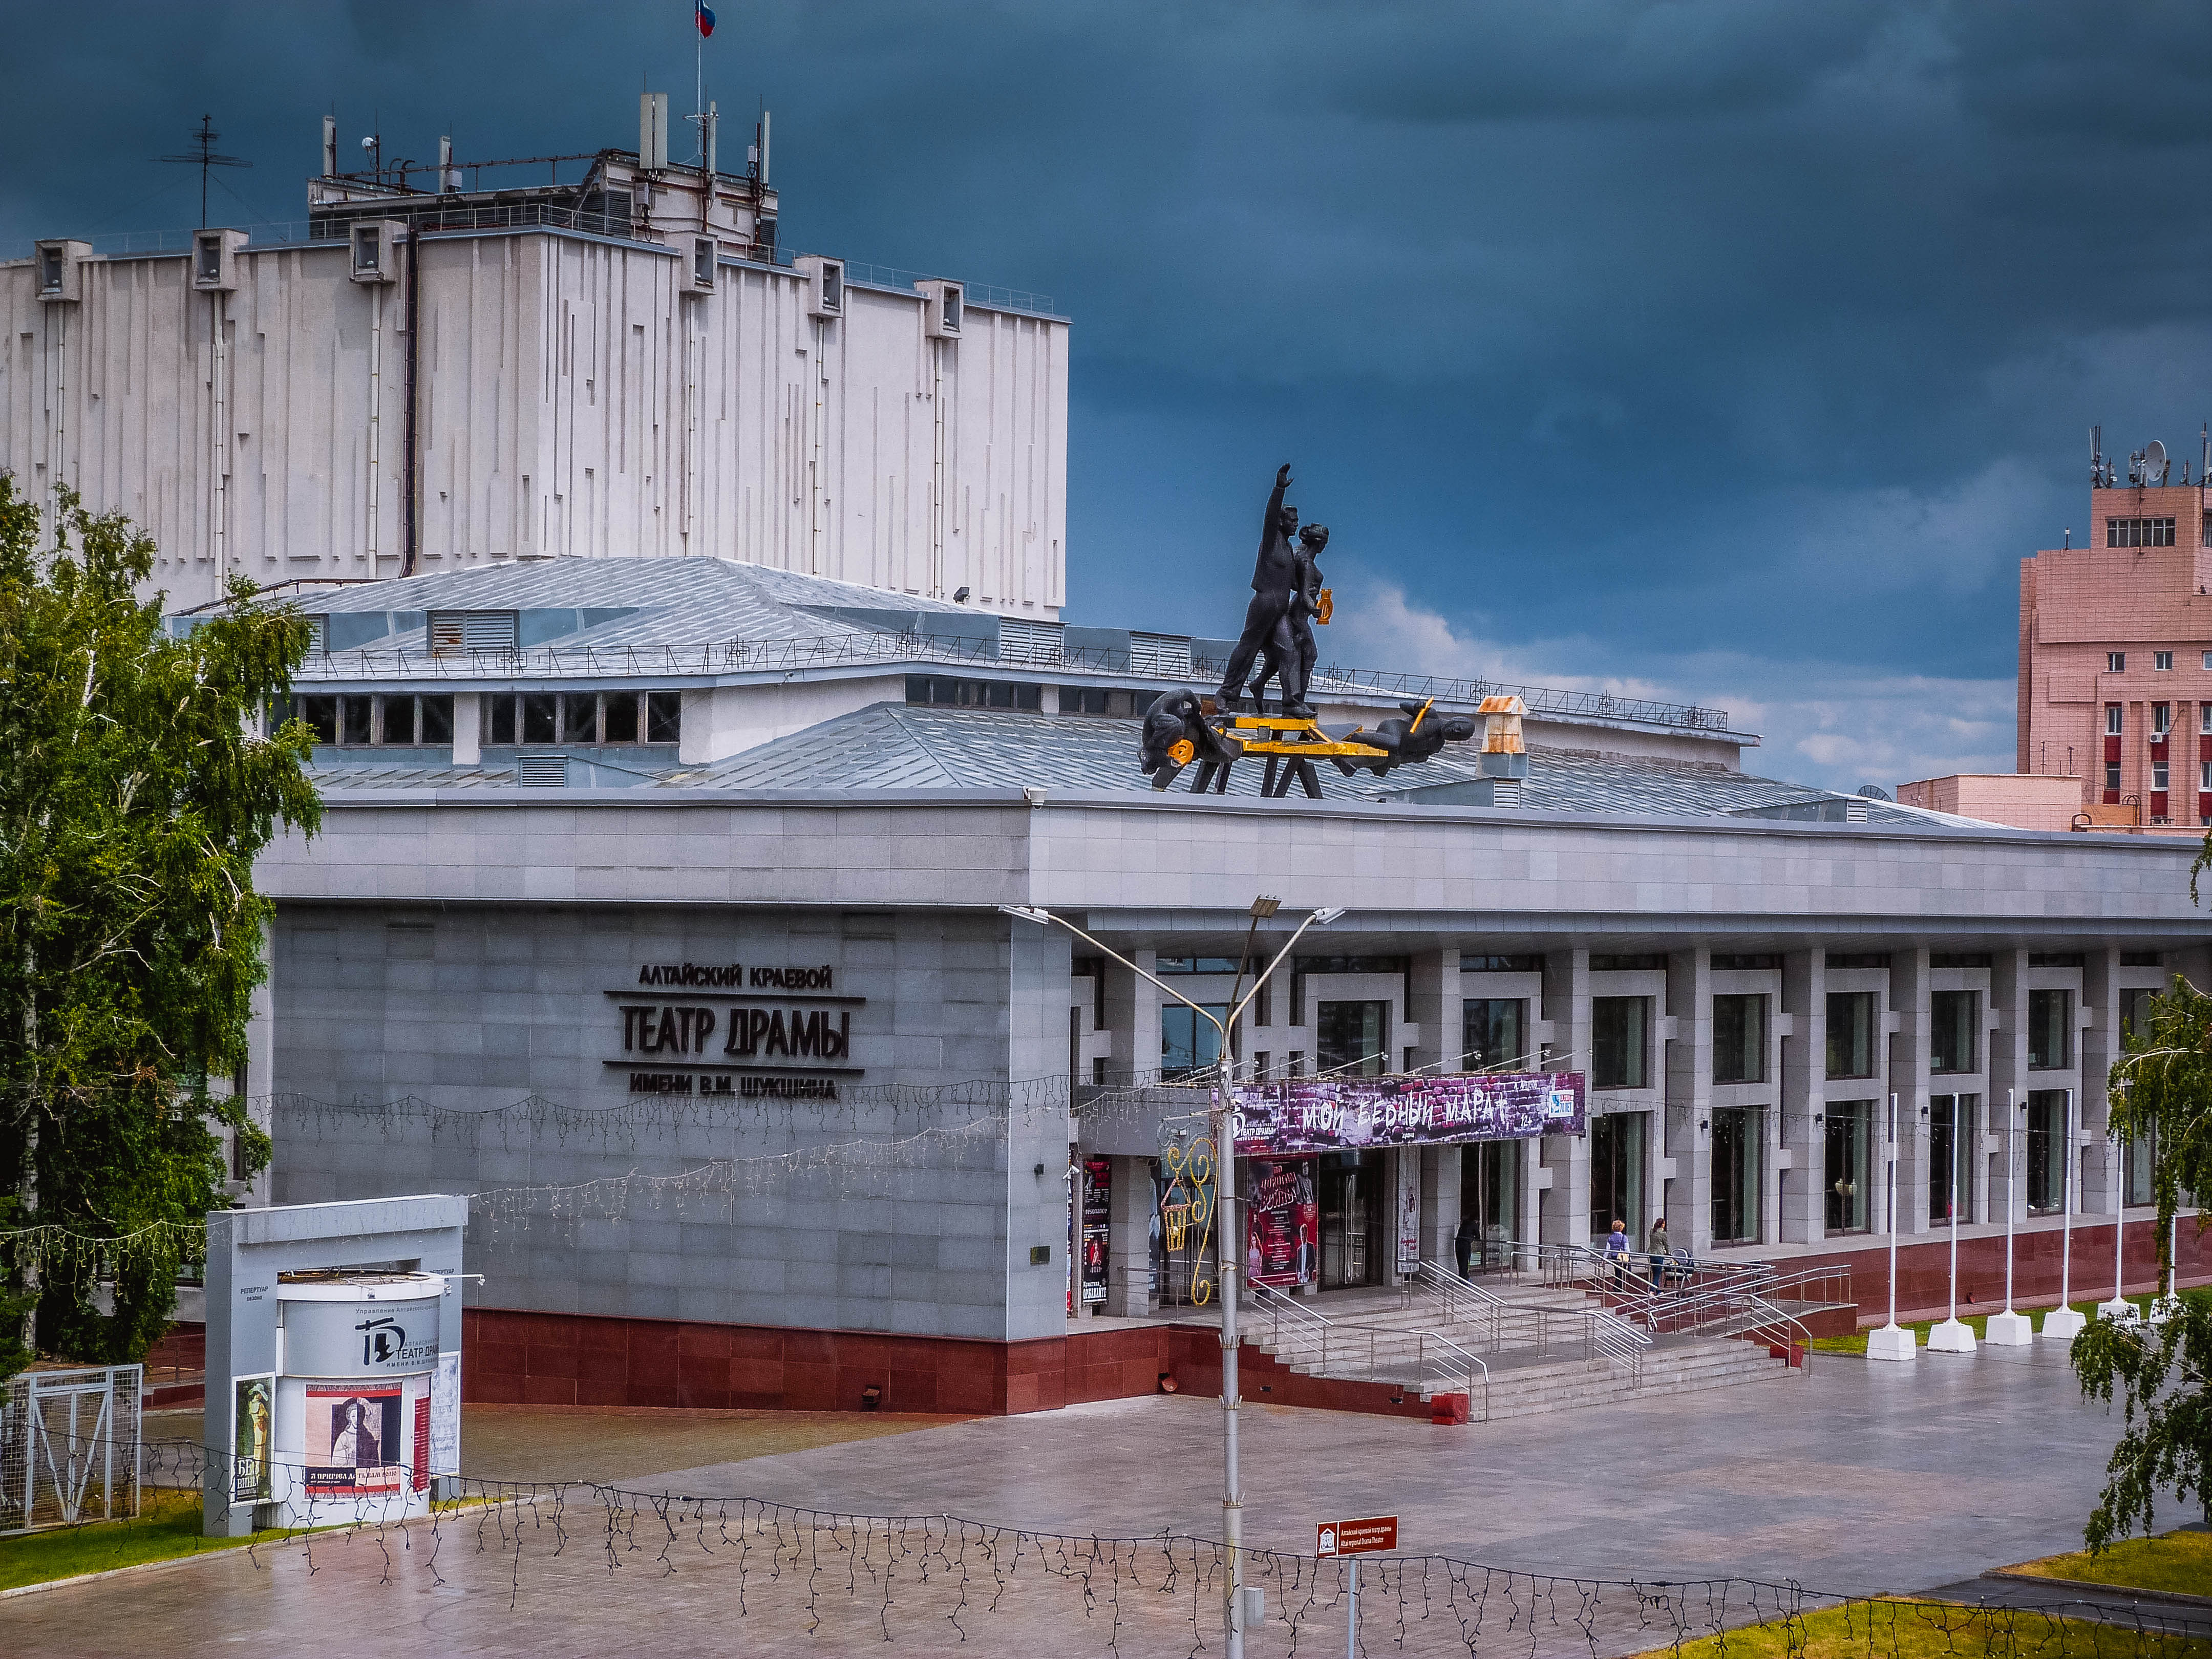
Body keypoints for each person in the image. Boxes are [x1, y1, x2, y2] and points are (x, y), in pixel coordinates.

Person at [1215, 464, 1301, 710]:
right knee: (1249, 649)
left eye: (1297, 521)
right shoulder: (1272, 540)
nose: (1296, 524)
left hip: (1280, 610)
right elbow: (1270, 517)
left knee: (1289, 652)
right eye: (1292, 521)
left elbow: (1295, 583)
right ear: (1281, 522)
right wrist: (1279, 489)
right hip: (1264, 604)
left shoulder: (1289, 549)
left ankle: (1291, 702)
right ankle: (1226, 694)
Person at [1604, 1217, 1630, 1290]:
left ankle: (1617, 1287)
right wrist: (1629, 1257)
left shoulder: (1611, 1238)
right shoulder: (1624, 1237)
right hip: (1622, 1257)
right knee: (1622, 1273)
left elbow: (1607, 1249)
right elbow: (1627, 1249)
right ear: (1621, 1228)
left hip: (1614, 1257)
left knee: (1617, 1272)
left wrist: (1604, 1258)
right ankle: (1620, 1287)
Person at [1646, 1216, 1670, 1290]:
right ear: (1662, 1224)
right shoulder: (1663, 1233)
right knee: (1657, 1274)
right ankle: (1652, 1290)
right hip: (1659, 1254)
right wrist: (1668, 1252)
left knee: (1655, 1273)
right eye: (1664, 1224)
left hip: (1652, 1254)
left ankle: (1659, 1291)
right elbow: (1666, 1244)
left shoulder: (1652, 1231)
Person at [1455, 1209, 1479, 1279]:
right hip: (1465, 1244)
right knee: (1465, 1262)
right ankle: (1465, 1278)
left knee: (1460, 1262)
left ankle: (1461, 1277)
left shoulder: (1464, 1223)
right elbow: (1478, 1236)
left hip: (1458, 1243)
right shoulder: (1474, 1224)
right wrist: (1473, 1237)